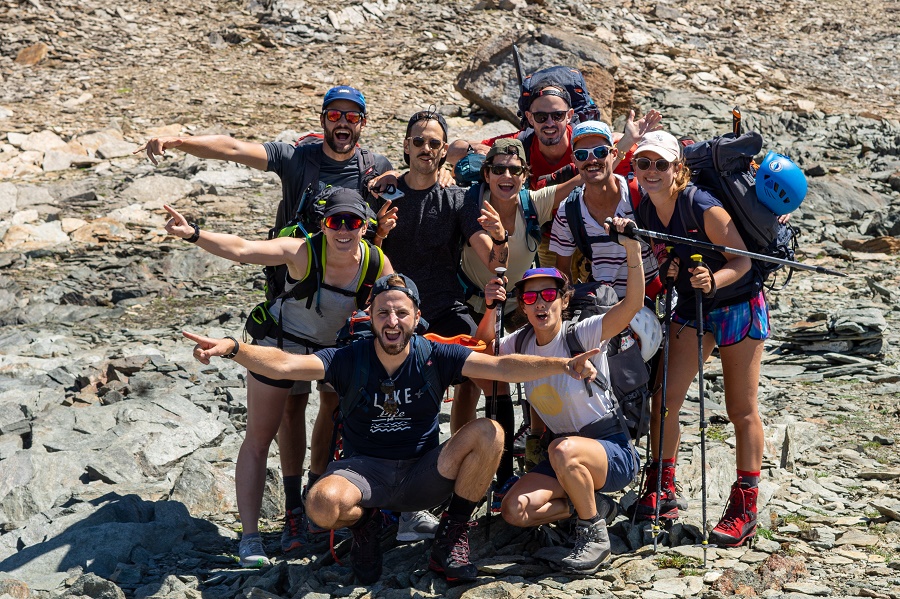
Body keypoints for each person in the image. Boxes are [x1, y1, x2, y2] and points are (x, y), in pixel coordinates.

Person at [183, 273, 602, 584]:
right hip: (365, 473)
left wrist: (563, 363)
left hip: (425, 473)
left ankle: (450, 538)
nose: (392, 320)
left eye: (401, 312)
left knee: (490, 431)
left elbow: (500, 366)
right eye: (383, 311)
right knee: (322, 505)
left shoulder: (435, 354)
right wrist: (235, 349)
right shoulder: (349, 358)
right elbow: (288, 364)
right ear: (370, 316)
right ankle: (364, 528)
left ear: (416, 317)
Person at [138, 85, 394, 563]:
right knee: (282, 416)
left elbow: (432, 178)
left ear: (363, 121)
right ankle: (280, 517)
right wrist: (178, 142)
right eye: (334, 114)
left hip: (339, 334)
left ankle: (319, 493)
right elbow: (235, 156)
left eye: (352, 116)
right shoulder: (298, 163)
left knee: (334, 411)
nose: (343, 123)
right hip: (289, 313)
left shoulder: (377, 179)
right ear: (322, 119)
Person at [164, 188, 393, 567]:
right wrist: (193, 233)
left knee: (332, 415)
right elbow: (242, 250)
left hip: (334, 351)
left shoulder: (376, 261)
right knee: (260, 435)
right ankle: (252, 537)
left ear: (365, 226)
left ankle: (312, 498)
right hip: (279, 345)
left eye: (353, 223)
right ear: (324, 224)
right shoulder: (302, 251)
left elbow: (399, 304)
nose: (344, 231)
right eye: (336, 222)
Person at [474, 230, 644, 573]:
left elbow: (632, 306)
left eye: (549, 294)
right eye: (531, 297)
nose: (540, 303)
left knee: (563, 449)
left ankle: (594, 534)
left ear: (563, 301)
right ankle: (595, 506)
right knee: (514, 510)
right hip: (562, 453)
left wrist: (633, 253)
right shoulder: (519, 343)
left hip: (611, 451)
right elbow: (484, 352)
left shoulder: (582, 333)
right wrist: (491, 307)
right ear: (521, 305)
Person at [372, 109, 506, 541]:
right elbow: (368, 261)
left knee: (486, 370)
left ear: (443, 150)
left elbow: (492, 260)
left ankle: (480, 471)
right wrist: (378, 236)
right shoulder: (385, 198)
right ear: (407, 146)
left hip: (446, 306)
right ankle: (403, 500)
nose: (426, 149)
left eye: (434, 143)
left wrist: (499, 239)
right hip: (397, 310)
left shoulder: (458, 199)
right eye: (419, 141)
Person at [630, 131, 767, 547]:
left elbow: (742, 260)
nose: (651, 172)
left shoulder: (701, 205)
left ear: (678, 169)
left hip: (740, 303)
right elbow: (675, 252)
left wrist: (713, 280)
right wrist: (676, 269)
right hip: (694, 306)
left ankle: (745, 506)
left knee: (740, 409)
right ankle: (662, 486)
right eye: (643, 164)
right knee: (665, 399)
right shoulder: (646, 209)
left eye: (661, 164)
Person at [550, 120, 662, 298]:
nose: (592, 160)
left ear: (614, 154)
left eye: (600, 152)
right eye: (581, 155)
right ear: (574, 161)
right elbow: (563, 271)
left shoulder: (640, 193)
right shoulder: (568, 211)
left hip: (653, 299)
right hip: (604, 308)